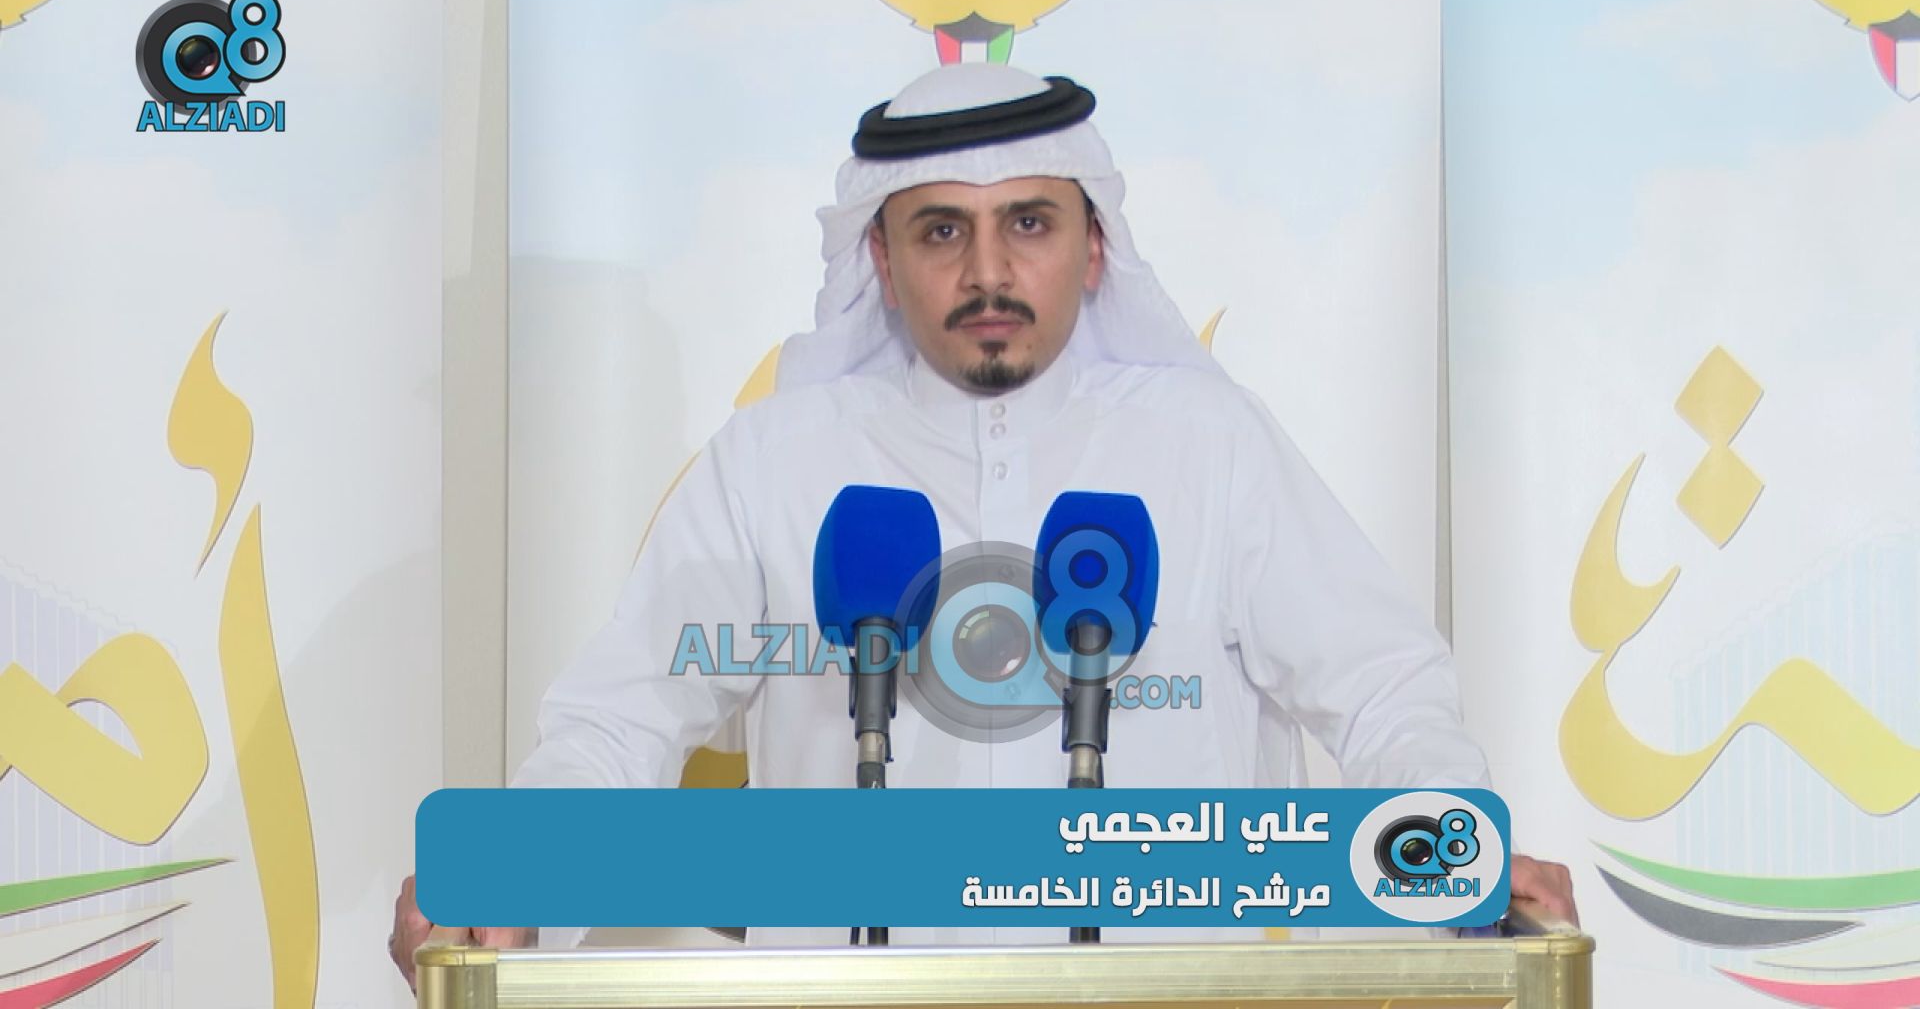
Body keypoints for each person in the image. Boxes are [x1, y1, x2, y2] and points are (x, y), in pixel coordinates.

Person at [388, 64, 1575, 987]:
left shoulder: (1209, 446)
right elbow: (619, 721)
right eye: (943, 230)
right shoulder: (773, 461)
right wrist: (515, 877)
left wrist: (1456, 855)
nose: (988, 272)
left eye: (1031, 224)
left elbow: (1383, 690)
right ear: (882, 256)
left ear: (1094, 247)